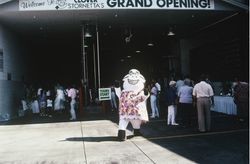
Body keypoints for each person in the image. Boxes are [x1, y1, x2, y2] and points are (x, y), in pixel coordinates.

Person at [115, 69, 150, 141]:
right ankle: (121, 134)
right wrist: (117, 87)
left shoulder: (140, 92)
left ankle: (136, 131)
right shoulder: (124, 92)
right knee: (123, 122)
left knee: (136, 123)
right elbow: (119, 94)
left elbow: (144, 97)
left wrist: (146, 93)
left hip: (134, 112)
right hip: (127, 111)